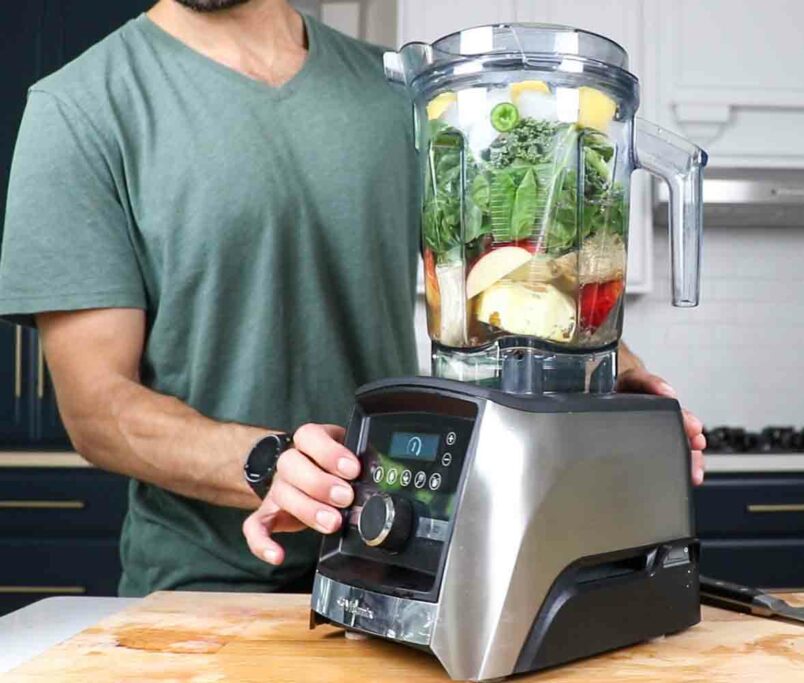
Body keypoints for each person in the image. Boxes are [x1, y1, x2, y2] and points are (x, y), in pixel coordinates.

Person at [0, 0, 706, 596]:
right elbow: (97, 408)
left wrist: (596, 369)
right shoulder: (80, 108)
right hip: (207, 590)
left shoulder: (400, 90)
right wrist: (268, 462)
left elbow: (499, 268)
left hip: (404, 566)